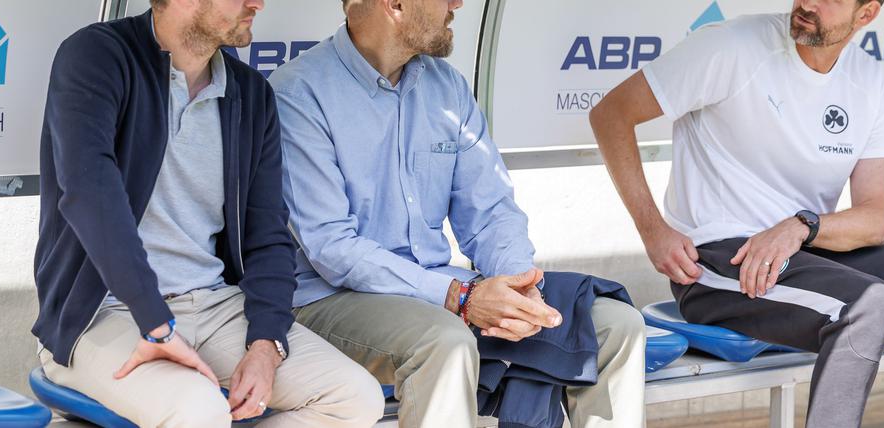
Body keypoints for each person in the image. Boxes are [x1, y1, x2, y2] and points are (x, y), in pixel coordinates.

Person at [590, 0, 884, 426]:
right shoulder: (732, 46)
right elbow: (611, 114)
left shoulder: (867, 79)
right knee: (867, 306)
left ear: (866, 14)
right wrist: (654, 230)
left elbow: (875, 217)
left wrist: (802, 227)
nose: (808, 3)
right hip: (720, 258)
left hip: (811, 252)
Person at [268, 0, 647, 426]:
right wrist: (459, 298)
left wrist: (517, 285)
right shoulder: (298, 92)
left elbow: (490, 210)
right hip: (334, 298)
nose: (458, 4)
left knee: (616, 326)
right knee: (445, 343)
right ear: (395, 5)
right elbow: (332, 248)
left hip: (445, 290)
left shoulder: (446, 86)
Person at [33, 1, 383, 426]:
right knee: (199, 409)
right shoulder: (96, 56)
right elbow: (91, 197)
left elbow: (268, 235)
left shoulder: (251, 94)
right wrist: (154, 321)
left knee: (354, 397)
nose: (258, 3)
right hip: (103, 312)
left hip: (216, 306)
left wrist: (266, 343)